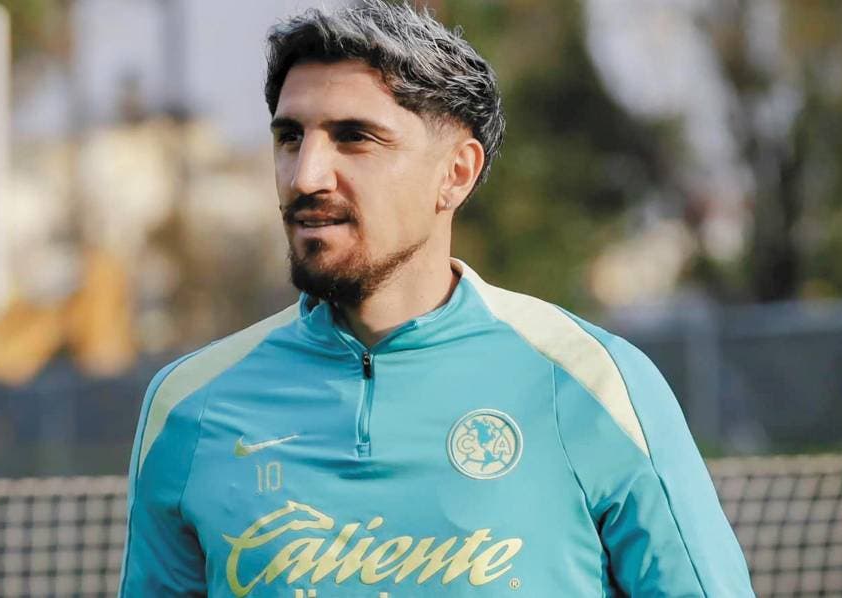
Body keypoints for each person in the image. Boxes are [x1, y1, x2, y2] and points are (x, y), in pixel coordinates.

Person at [118, 2, 754, 596]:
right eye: (290, 138)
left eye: (354, 137)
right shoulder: (190, 406)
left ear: (456, 173)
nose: (305, 176)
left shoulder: (593, 384)